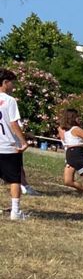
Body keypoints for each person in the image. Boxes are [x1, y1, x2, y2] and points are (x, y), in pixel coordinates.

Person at [0, 68, 28, 220]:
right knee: (14, 179)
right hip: (8, 146)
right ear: (5, 82)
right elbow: (13, 123)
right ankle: (15, 211)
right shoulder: (10, 100)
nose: (13, 86)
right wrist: (23, 141)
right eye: (12, 83)